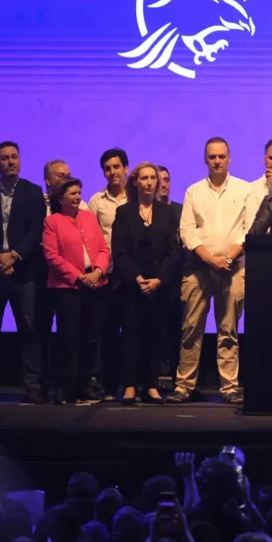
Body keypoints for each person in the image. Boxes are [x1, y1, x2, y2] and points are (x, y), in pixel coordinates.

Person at [171, 137, 252, 405]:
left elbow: (249, 229)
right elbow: (187, 231)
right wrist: (209, 259)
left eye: (221, 156)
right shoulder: (194, 191)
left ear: (229, 158)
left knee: (228, 330)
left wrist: (227, 258)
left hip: (233, 267)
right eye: (212, 157)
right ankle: (184, 386)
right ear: (205, 159)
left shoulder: (244, 190)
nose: (217, 161)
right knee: (191, 327)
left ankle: (229, 387)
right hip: (198, 267)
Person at [0, 141, 48, 405]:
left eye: (14, 156)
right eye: (4, 158)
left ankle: (32, 386)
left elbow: (36, 232)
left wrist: (14, 256)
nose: (10, 162)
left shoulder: (33, 192)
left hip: (23, 271)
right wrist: (0, 260)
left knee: (29, 329)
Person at [111, 163, 181, 404]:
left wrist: (160, 279)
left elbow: (174, 251)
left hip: (159, 284)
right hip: (133, 285)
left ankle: (151, 385)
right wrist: (137, 278)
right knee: (131, 335)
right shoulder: (124, 213)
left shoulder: (167, 213)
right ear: (135, 182)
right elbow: (119, 252)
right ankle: (130, 385)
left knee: (155, 334)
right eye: (144, 178)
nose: (149, 182)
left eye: (153, 178)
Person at [42, 178, 111, 405]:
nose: (77, 197)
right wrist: (79, 276)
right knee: (68, 338)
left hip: (95, 285)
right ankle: (66, 386)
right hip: (68, 288)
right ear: (60, 198)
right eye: (72, 193)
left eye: (79, 192)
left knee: (91, 337)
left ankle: (87, 385)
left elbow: (103, 248)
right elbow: (52, 256)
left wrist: (98, 271)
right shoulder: (52, 222)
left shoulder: (88, 217)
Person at [88, 148, 130, 400]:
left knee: (132, 331)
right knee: (108, 332)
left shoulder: (135, 197)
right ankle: (110, 385)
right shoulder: (97, 201)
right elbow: (91, 237)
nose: (113, 172)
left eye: (116, 167)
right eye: (107, 168)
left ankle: (131, 383)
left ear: (126, 168)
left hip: (132, 274)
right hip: (107, 273)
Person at [157, 164, 185, 383]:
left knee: (177, 329)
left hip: (177, 279)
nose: (163, 184)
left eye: (167, 180)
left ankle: (178, 377)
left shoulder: (180, 210)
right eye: (160, 180)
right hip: (153, 279)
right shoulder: (144, 211)